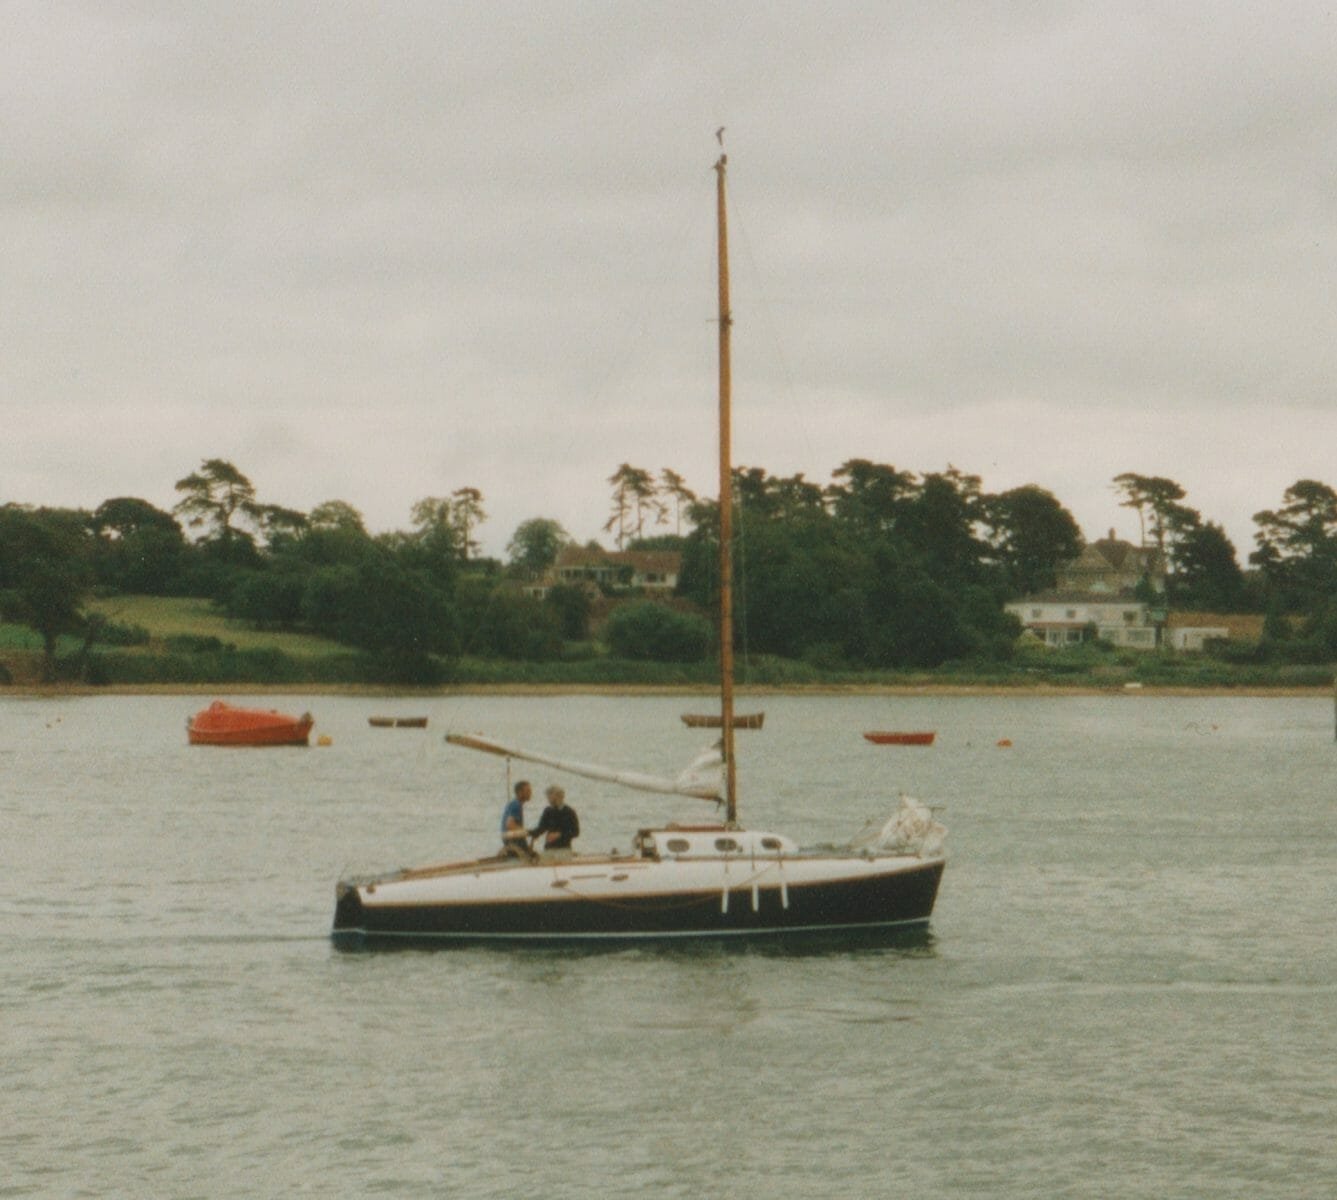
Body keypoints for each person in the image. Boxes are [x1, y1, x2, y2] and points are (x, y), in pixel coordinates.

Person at [529, 784, 580, 854]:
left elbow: (575, 832)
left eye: (549, 797)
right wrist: (529, 832)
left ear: (558, 796)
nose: (548, 799)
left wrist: (559, 834)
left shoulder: (569, 812)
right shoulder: (548, 811)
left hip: (564, 849)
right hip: (549, 848)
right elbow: (541, 828)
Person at [500, 780, 534, 857]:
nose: (530, 793)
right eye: (528, 791)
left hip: (510, 839)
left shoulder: (514, 804)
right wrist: (527, 831)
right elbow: (510, 825)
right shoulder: (516, 805)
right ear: (520, 792)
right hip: (513, 840)